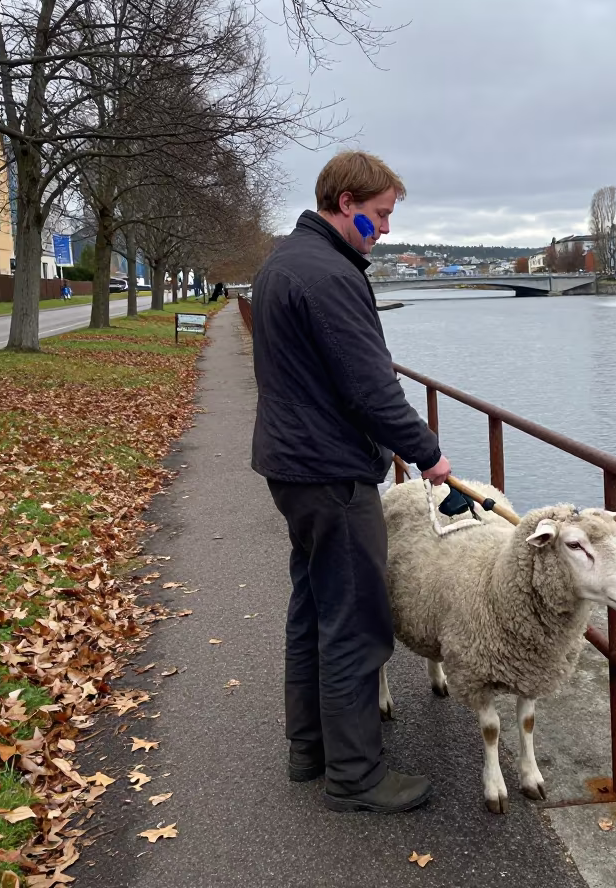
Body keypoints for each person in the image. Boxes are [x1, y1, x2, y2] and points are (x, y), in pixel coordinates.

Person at [250, 151, 451, 815]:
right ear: (345, 203)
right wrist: (428, 454)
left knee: (311, 608)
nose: (386, 230)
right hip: (331, 473)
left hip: (292, 465)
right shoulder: (331, 275)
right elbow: (370, 386)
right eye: (381, 215)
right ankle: (356, 776)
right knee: (356, 623)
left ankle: (308, 750)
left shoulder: (283, 262)